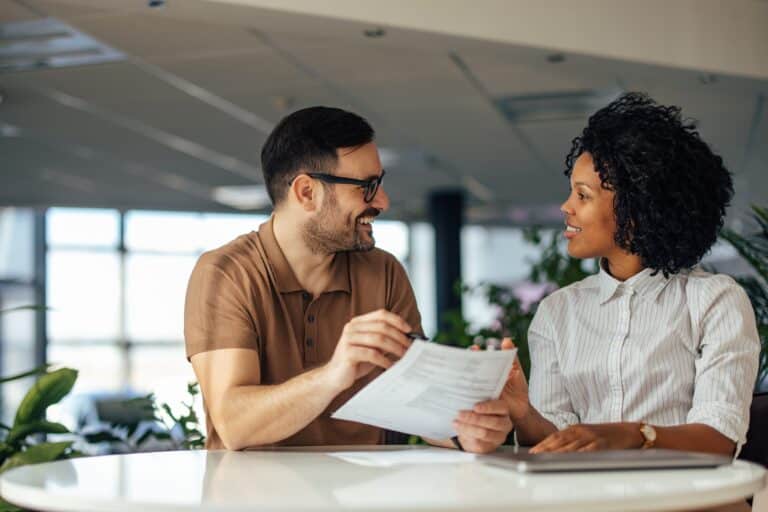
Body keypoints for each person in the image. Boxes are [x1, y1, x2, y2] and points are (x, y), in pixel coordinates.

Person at [184, 106, 511, 453]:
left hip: (369, 495)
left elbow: (417, 401)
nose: (382, 201)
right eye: (367, 186)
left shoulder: (384, 272)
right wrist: (332, 375)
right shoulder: (227, 273)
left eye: (380, 184)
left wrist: (465, 431)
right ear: (307, 192)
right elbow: (234, 425)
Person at [501, 92, 760, 456]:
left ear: (636, 210)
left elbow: (718, 439)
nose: (566, 207)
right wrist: (523, 414)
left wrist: (630, 435)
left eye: (583, 195)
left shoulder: (715, 300)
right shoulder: (557, 312)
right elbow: (555, 441)